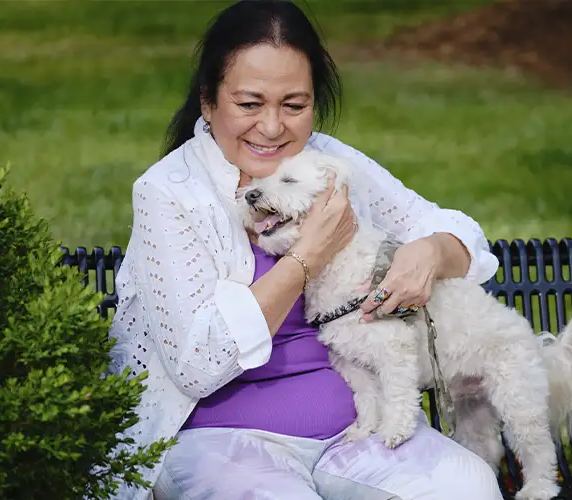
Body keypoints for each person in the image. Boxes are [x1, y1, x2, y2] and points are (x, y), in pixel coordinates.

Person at [108, 1, 502, 499]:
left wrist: (432, 251)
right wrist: (305, 260)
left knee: (468, 488)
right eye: (250, 104)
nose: (272, 128)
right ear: (208, 101)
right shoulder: (170, 193)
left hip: (358, 425)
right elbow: (197, 365)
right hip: (222, 442)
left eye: (293, 105)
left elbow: (455, 233)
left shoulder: (326, 161)